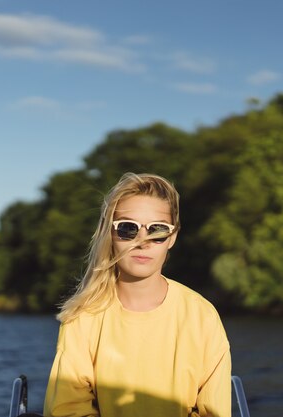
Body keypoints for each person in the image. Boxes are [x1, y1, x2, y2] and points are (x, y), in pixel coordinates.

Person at [43, 172, 231, 417]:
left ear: (172, 237)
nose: (143, 241)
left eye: (158, 230)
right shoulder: (83, 317)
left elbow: (213, 412)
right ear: (110, 234)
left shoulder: (202, 316)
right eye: (128, 228)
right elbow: (68, 410)